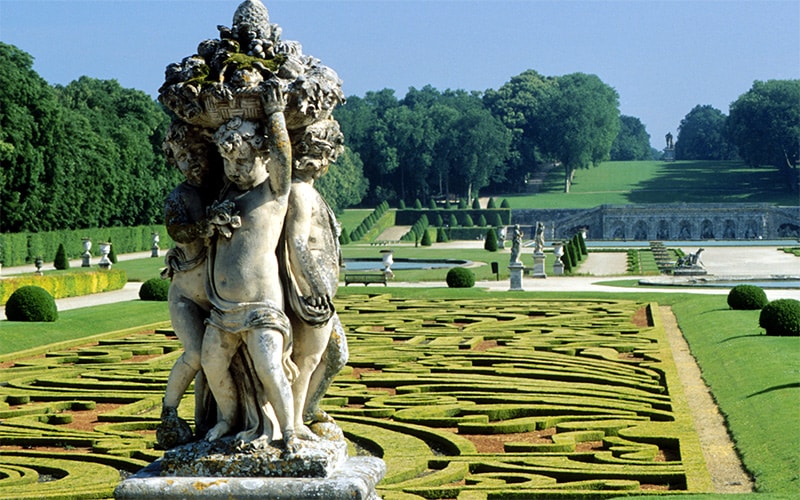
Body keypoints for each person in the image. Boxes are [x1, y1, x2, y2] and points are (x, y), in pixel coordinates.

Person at [200, 84, 306, 455]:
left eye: (243, 161)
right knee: (212, 364)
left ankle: (290, 429)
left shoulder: (274, 192)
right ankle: (228, 418)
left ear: (260, 156)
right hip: (223, 309)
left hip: (261, 307)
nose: (235, 169)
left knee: (269, 368)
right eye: (229, 162)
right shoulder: (227, 194)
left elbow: (283, 157)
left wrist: (275, 114)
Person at [283, 119, 348, 433]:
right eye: (323, 155)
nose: (326, 162)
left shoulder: (308, 192)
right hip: (311, 295)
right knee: (307, 359)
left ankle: (308, 407)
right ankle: (294, 424)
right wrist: (313, 282)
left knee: (336, 356)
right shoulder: (298, 192)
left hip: (321, 295)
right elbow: (296, 242)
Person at [157, 120, 218, 449]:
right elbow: (178, 232)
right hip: (187, 297)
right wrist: (207, 225)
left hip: (220, 298)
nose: (192, 161)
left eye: (197, 153)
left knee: (218, 362)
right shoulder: (178, 197)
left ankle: (207, 422)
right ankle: (169, 411)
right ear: (174, 160)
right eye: (183, 156)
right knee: (196, 354)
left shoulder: (224, 188)